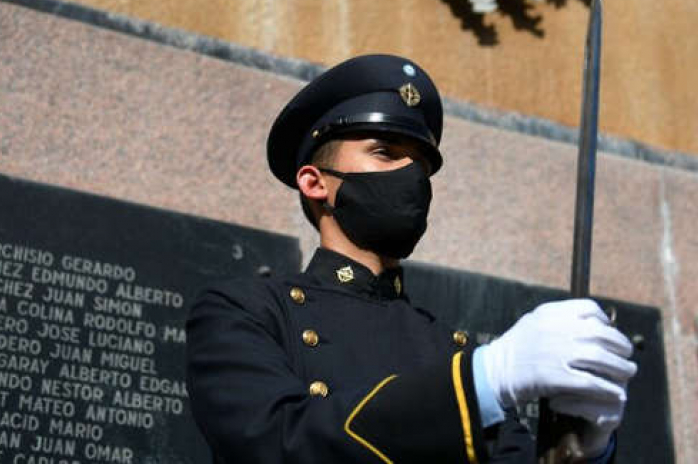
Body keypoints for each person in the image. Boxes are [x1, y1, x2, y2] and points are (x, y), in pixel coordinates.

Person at [186, 54, 636, 463]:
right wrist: (485, 379)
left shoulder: (451, 351)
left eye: (422, 165)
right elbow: (275, 443)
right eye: (385, 153)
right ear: (314, 182)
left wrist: (584, 448)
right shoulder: (246, 311)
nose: (412, 178)